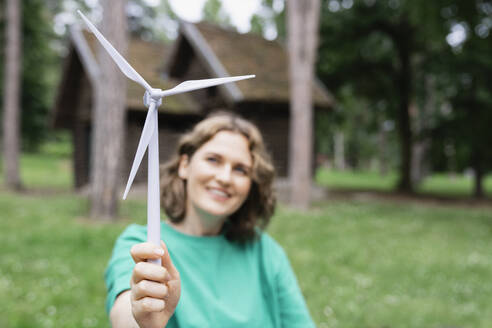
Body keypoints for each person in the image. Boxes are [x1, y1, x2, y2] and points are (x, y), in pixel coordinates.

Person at [105, 113, 315, 327]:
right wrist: (144, 321)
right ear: (185, 165)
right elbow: (124, 314)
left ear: (251, 184)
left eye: (240, 169)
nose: (224, 178)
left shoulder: (264, 252)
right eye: (213, 160)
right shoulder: (144, 243)